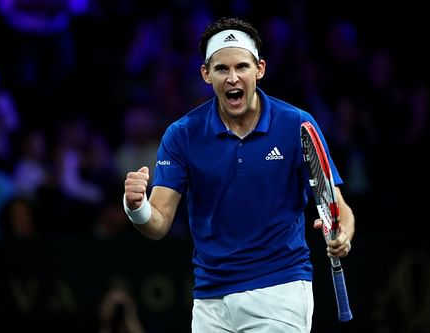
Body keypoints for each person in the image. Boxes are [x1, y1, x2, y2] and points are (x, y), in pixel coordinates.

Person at [123, 17, 355, 333]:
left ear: (259, 69)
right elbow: (159, 222)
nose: (233, 78)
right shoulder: (182, 135)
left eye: (242, 67)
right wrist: (136, 208)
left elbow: (337, 205)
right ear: (206, 74)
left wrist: (342, 235)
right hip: (210, 300)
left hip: (280, 290)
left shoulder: (297, 124)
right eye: (221, 69)